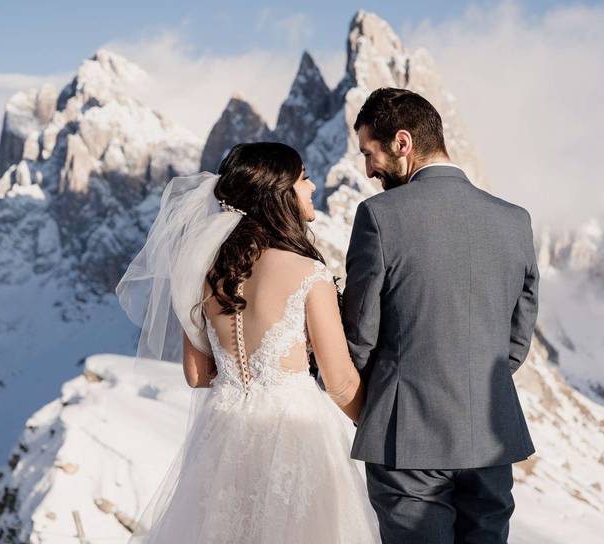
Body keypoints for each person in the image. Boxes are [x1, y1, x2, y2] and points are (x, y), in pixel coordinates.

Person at [115, 142, 381, 544]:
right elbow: (340, 380)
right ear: (280, 193)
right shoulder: (308, 272)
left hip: (223, 434)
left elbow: (196, 375)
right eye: (304, 179)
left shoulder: (205, 274)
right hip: (295, 434)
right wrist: (377, 428)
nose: (311, 188)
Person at [343, 87, 540, 544]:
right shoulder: (515, 220)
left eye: (369, 153)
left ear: (403, 142)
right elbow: (516, 343)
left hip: (407, 439)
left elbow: (360, 338)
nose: (368, 169)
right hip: (491, 439)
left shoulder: (378, 216)